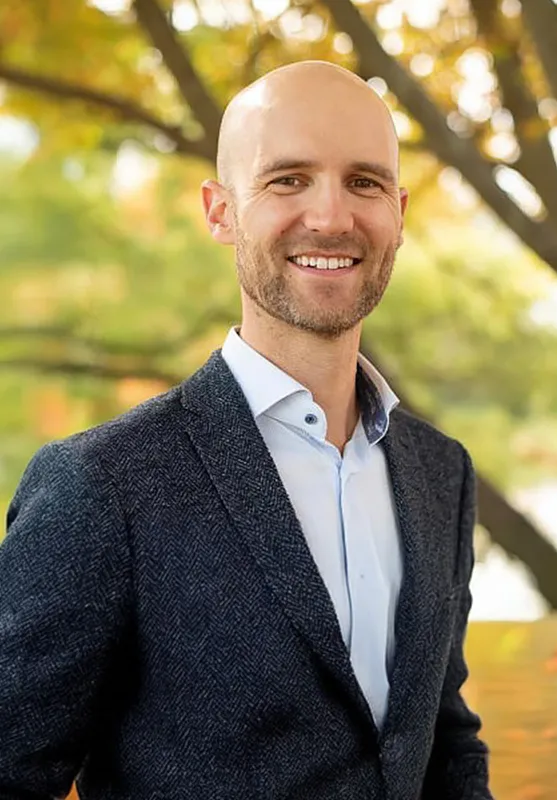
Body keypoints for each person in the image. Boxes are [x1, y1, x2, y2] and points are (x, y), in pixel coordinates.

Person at [0, 60, 493, 799]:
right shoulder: (102, 487)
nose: (331, 217)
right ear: (220, 211)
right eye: (288, 179)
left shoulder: (440, 472)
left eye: (364, 182)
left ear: (399, 213)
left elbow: (444, 741)